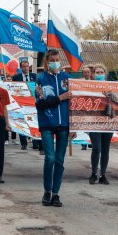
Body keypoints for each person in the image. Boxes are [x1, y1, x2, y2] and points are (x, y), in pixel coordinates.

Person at [35, 49, 74, 207]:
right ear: (46, 62)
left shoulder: (67, 79)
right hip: (47, 124)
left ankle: (56, 193)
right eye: (52, 60)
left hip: (64, 125)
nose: (55, 62)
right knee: (50, 158)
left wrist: (75, 126)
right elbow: (40, 104)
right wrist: (60, 98)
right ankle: (47, 190)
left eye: (57, 59)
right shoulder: (41, 79)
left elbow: (75, 105)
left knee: (59, 160)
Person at [88, 64, 113, 185]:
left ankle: (103, 174)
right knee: (96, 147)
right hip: (94, 122)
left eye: (102, 72)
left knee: (105, 149)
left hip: (108, 121)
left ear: (105, 74)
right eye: (97, 72)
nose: (99, 74)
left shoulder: (111, 88)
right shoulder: (88, 87)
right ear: (93, 75)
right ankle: (94, 173)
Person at [12, 60, 37, 150]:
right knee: (22, 123)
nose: (26, 68)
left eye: (27, 66)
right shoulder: (16, 77)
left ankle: (35, 143)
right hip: (21, 104)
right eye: (24, 66)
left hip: (32, 104)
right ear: (21, 67)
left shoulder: (34, 76)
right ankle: (24, 143)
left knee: (33, 123)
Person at [80, 65, 93, 151]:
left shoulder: (94, 82)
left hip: (91, 107)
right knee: (83, 127)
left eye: (88, 72)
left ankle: (91, 142)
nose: (87, 73)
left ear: (90, 73)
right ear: (83, 73)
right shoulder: (79, 83)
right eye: (85, 72)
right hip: (83, 106)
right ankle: (83, 143)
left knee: (90, 126)